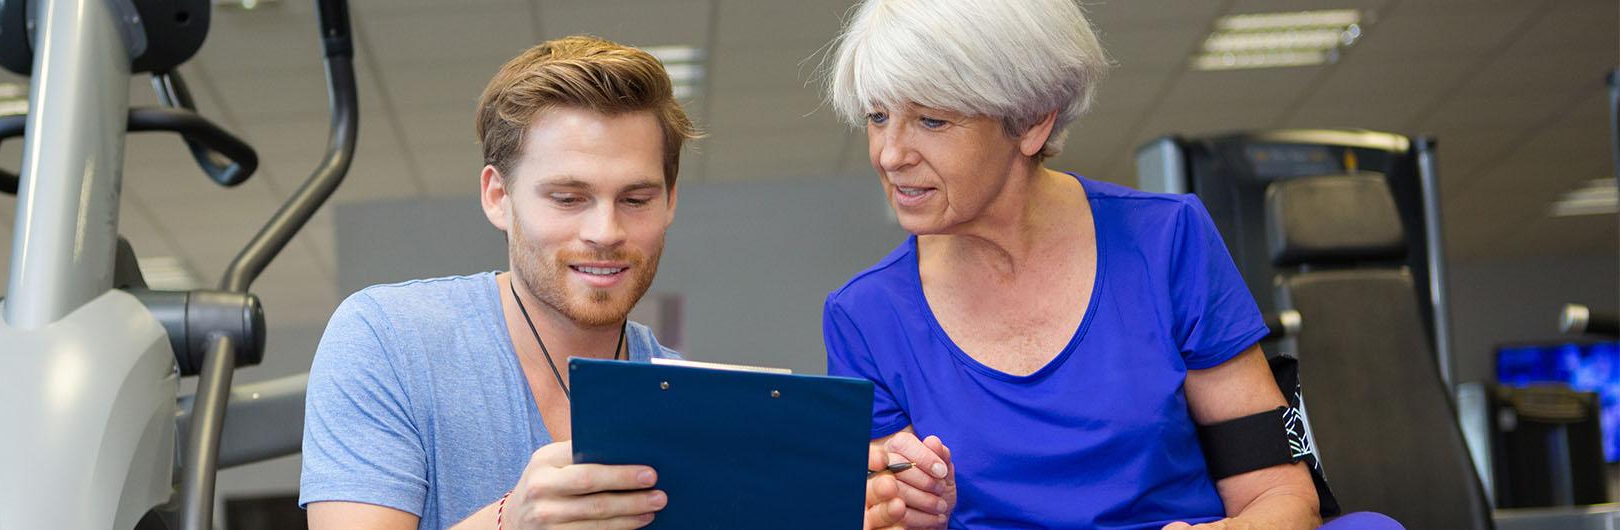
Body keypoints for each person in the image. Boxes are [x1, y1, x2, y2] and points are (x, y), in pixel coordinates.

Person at [820, 1, 1402, 529]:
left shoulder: (1167, 239)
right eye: (877, 117)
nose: (890, 154)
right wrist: (904, 516)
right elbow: (897, 509)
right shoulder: (864, 315)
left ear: (1032, 121)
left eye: (931, 121)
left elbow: (1278, 492)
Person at [299, 35, 699, 530]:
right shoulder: (388, 340)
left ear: (670, 201)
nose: (605, 233)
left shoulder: (689, 393)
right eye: (568, 198)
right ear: (497, 197)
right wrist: (511, 523)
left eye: (636, 200)